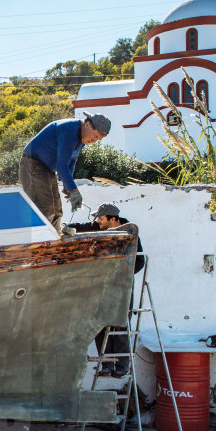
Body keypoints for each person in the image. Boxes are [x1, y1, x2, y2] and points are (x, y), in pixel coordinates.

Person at [20, 113, 111, 233]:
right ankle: (41, 240)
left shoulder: (82, 137)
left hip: (47, 169)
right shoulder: (69, 130)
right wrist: (73, 191)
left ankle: (55, 237)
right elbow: (61, 166)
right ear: (87, 124)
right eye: (94, 136)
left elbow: (71, 161)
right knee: (46, 207)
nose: (93, 141)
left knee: (57, 210)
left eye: (97, 139)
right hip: (33, 164)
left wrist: (67, 186)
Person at [92, 203, 145, 377]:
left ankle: (122, 365)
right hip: (103, 283)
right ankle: (106, 364)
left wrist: (125, 276)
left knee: (120, 323)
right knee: (100, 323)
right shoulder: (101, 232)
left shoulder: (130, 233)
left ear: (112, 218)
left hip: (122, 284)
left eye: (101, 217)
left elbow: (139, 261)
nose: (97, 220)